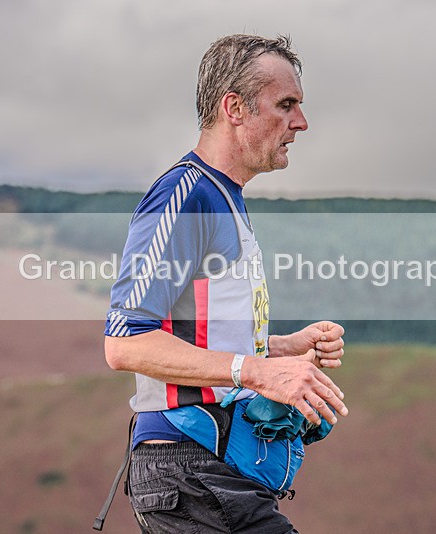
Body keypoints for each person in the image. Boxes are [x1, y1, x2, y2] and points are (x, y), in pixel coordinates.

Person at [103, 34, 348, 533]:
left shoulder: (224, 197)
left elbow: (194, 333)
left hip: (213, 472)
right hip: (189, 469)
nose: (300, 123)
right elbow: (124, 341)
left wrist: (276, 350)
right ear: (234, 107)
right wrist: (258, 373)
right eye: (286, 105)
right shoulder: (185, 194)